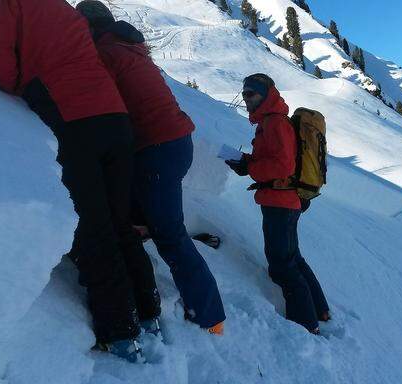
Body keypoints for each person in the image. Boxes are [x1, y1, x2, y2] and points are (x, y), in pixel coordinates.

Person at [0, 0, 161, 362]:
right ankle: (147, 310)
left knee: (93, 227)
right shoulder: (61, 6)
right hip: (115, 121)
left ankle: (120, 332)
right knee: (119, 221)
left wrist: (19, 87)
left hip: (74, 117)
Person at [75, 1, 225, 335]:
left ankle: (209, 315)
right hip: (172, 143)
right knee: (136, 213)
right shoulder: (129, 47)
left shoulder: (106, 53)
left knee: (170, 235)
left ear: (88, 25)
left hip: (156, 148)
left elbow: (92, 97)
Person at [225, 74, 330, 334]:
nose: (246, 99)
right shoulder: (271, 122)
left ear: (265, 95)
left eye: (251, 94)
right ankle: (320, 310)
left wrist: (251, 169)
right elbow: (274, 159)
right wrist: (247, 162)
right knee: (292, 258)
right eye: (244, 93)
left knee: (282, 263)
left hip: (280, 201)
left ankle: (305, 324)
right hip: (285, 200)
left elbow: (283, 165)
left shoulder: (274, 123)